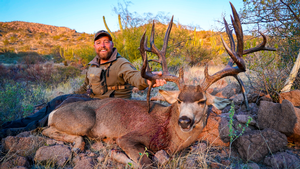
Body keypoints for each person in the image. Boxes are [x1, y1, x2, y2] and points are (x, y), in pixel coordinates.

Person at [0, 30, 166, 138]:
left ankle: (21, 131)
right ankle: (12, 123)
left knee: (61, 109)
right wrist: (72, 96)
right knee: (57, 102)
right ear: (95, 46)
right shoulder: (93, 64)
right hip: (90, 99)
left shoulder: (121, 63)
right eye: (99, 42)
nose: (103, 45)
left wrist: (148, 80)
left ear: (112, 44)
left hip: (108, 106)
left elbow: (136, 78)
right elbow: (85, 86)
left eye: (106, 41)